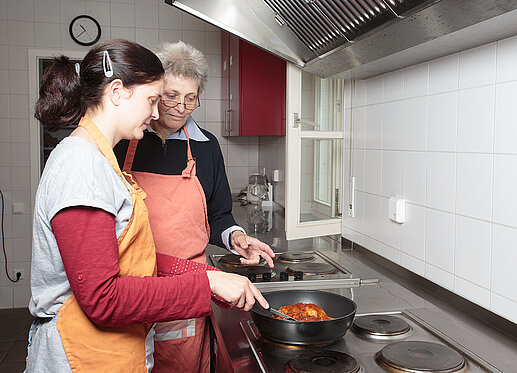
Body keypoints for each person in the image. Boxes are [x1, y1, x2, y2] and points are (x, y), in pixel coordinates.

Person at [25, 39, 268, 373]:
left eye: (189, 99)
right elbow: (103, 298)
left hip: (123, 333)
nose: (158, 112)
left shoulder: (93, 158)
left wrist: (208, 275)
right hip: (80, 352)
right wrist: (206, 284)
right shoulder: (81, 165)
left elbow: (128, 257)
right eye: (155, 99)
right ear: (117, 92)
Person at [114, 41, 275, 372]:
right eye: (172, 95)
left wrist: (236, 237)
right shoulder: (123, 142)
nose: (180, 107)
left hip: (187, 291)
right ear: (155, 92)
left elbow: (217, 214)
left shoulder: (206, 147)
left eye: (191, 98)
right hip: (134, 288)